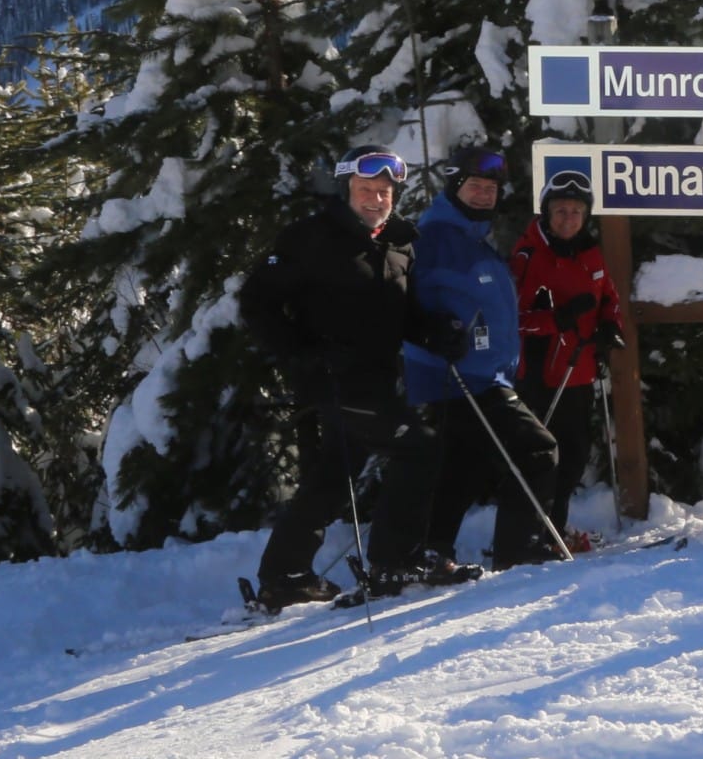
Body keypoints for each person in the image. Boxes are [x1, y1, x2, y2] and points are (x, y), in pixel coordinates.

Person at [240, 145, 458, 608]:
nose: (376, 199)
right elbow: (256, 302)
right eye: (366, 189)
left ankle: (285, 574)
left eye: (384, 191)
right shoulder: (311, 238)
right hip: (335, 379)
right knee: (419, 445)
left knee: (334, 477)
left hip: (376, 379)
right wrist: (302, 353)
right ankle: (395, 560)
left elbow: (405, 314)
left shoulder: (398, 243)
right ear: (347, 189)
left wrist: (436, 334)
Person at [407, 143, 567, 569]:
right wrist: (431, 334)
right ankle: (519, 551)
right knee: (536, 450)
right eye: (474, 186)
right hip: (458, 376)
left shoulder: (470, 239)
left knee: (462, 466)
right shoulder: (438, 239)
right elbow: (404, 302)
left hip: (479, 375)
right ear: (454, 188)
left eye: (491, 189)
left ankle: (431, 550)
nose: (483, 195)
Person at [509, 169, 625, 538]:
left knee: (573, 456)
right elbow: (511, 319)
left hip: (580, 369)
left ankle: (554, 529)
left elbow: (608, 295)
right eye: (560, 211)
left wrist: (610, 325)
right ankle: (528, 532)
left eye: (576, 211)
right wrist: (555, 319)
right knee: (542, 457)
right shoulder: (528, 255)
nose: (568, 219)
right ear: (546, 211)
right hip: (540, 373)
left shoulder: (590, 252)